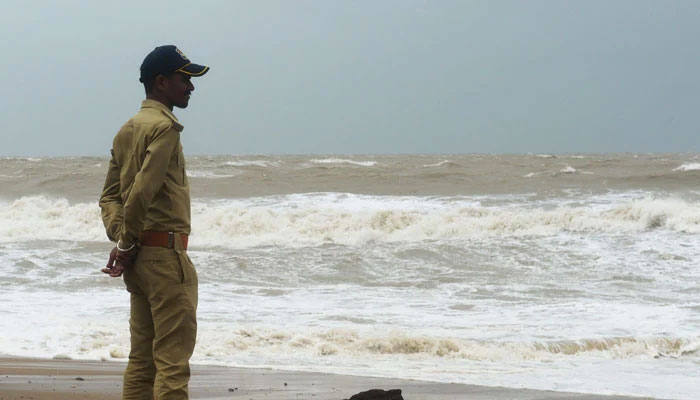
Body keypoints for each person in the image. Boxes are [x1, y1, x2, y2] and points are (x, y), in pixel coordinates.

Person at [99, 45, 209, 400]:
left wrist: (124, 242)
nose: (190, 87)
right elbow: (143, 193)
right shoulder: (165, 128)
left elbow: (110, 198)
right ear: (161, 82)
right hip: (164, 258)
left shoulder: (128, 129)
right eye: (184, 79)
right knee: (172, 364)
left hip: (141, 259)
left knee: (141, 362)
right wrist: (125, 245)